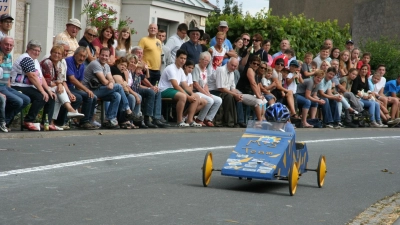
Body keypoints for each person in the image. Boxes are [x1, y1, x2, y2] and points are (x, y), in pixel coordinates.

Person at [83, 47, 137, 129]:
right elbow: (104, 81)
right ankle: (127, 110)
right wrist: (110, 83)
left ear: (109, 57)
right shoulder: (95, 64)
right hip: (89, 90)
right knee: (118, 86)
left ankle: (109, 120)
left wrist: (111, 82)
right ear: (99, 55)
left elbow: (110, 79)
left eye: (106, 56)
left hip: (99, 89)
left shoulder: (107, 66)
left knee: (116, 95)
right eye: (102, 55)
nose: (104, 57)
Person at [11, 40, 57, 131]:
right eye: (34, 50)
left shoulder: (35, 60)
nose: (36, 52)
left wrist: (47, 90)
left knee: (51, 96)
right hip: (18, 85)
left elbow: (41, 77)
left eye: (38, 51)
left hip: (28, 86)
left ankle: (45, 123)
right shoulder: (25, 58)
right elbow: (32, 76)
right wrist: (42, 91)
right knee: (40, 97)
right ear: (28, 49)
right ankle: (28, 121)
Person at [40, 45, 84, 130]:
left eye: (59, 53)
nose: (56, 55)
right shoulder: (47, 62)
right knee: (59, 90)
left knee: (59, 94)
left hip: (53, 86)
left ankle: (52, 122)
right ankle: (70, 110)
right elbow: (47, 81)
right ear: (51, 53)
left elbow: (60, 79)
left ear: (62, 55)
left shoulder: (60, 63)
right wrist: (58, 84)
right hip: (42, 86)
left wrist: (62, 86)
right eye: (55, 53)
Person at [159, 49, 202, 127]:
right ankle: (179, 121)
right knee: (183, 96)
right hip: (164, 90)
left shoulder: (181, 70)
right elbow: (175, 85)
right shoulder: (171, 68)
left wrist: (192, 94)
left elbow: (185, 85)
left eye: (184, 59)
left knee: (196, 96)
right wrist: (188, 96)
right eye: (181, 58)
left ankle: (190, 120)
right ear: (176, 58)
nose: (183, 60)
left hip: (173, 90)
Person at [0, 36, 30, 130]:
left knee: (26, 100)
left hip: (5, 86)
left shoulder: (9, 56)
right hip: (0, 87)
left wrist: (10, 88)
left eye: (11, 45)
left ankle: (5, 121)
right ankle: (3, 122)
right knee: (18, 101)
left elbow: (8, 74)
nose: (8, 47)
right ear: (1, 44)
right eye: (6, 44)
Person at [64, 47, 98, 129]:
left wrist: (85, 92)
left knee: (91, 96)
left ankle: (87, 121)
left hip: (73, 88)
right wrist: (86, 90)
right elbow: (72, 79)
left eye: (84, 57)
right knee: (80, 97)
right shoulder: (69, 61)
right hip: (66, 87)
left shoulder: (82, 65)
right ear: (75, 54)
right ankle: (80, 121)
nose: (82, 58)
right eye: (80, 55)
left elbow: (80, 82)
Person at [208, 58, 244, 127]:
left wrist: (238, 95)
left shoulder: (232, 72)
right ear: (227, 63)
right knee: (229, 97)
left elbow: (232, 88)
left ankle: (240, 121)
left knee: (239, 97)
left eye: (235, 66)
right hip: (213, 91)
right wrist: (234, 94)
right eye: (232, 65)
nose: (233, 67)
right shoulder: (221, 70)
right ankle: (230, 122)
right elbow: (221, 88)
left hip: (225, 91)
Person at [192, 51, 222, 127]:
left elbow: (205, 84)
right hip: (196, 91)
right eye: (205, 60)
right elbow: (196, 84)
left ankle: (208, 118)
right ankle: (199, 119)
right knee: (210, 100)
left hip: (202, 92)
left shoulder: (205, 69)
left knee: (218, 100)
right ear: (200, 60)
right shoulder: (196, 68)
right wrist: (206, 94)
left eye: (208, 61)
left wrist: (208, 93)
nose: (206, 62)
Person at [110, 57, 142, 129]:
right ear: (117, 64)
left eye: (125, 66)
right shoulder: (114, 69)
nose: (123, 67)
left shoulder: (123, 72)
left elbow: (126, 85)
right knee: (129, 97)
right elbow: (121, 84)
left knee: (132, 97)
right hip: (113, 91)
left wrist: (126, 76)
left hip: (122, 92)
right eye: (121, 64)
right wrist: (124, 83)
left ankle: (129, 121)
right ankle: (123, 120)